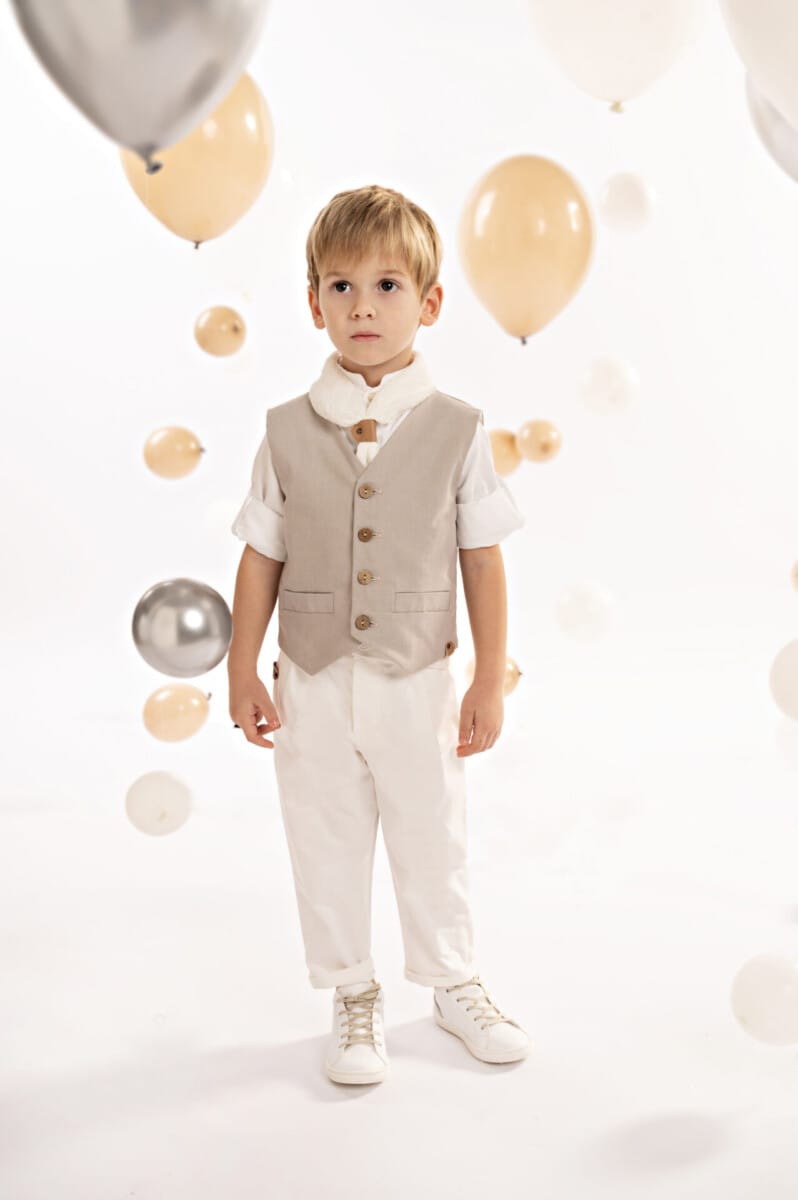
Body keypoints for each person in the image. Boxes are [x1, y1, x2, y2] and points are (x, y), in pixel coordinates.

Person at [228, 183, 530, 1086]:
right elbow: (261, 555)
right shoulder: (285, 431)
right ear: (313, 302)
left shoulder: (458, 428)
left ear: (429, 303)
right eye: (342, 286)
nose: (363, 306)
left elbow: (482, 558)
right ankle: (351, 990)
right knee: (323, 832)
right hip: (312, 679)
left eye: (388, 286)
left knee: (431, 830)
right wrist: (243, 664)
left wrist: (486, 679)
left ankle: (452, 980)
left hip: (416, 676)